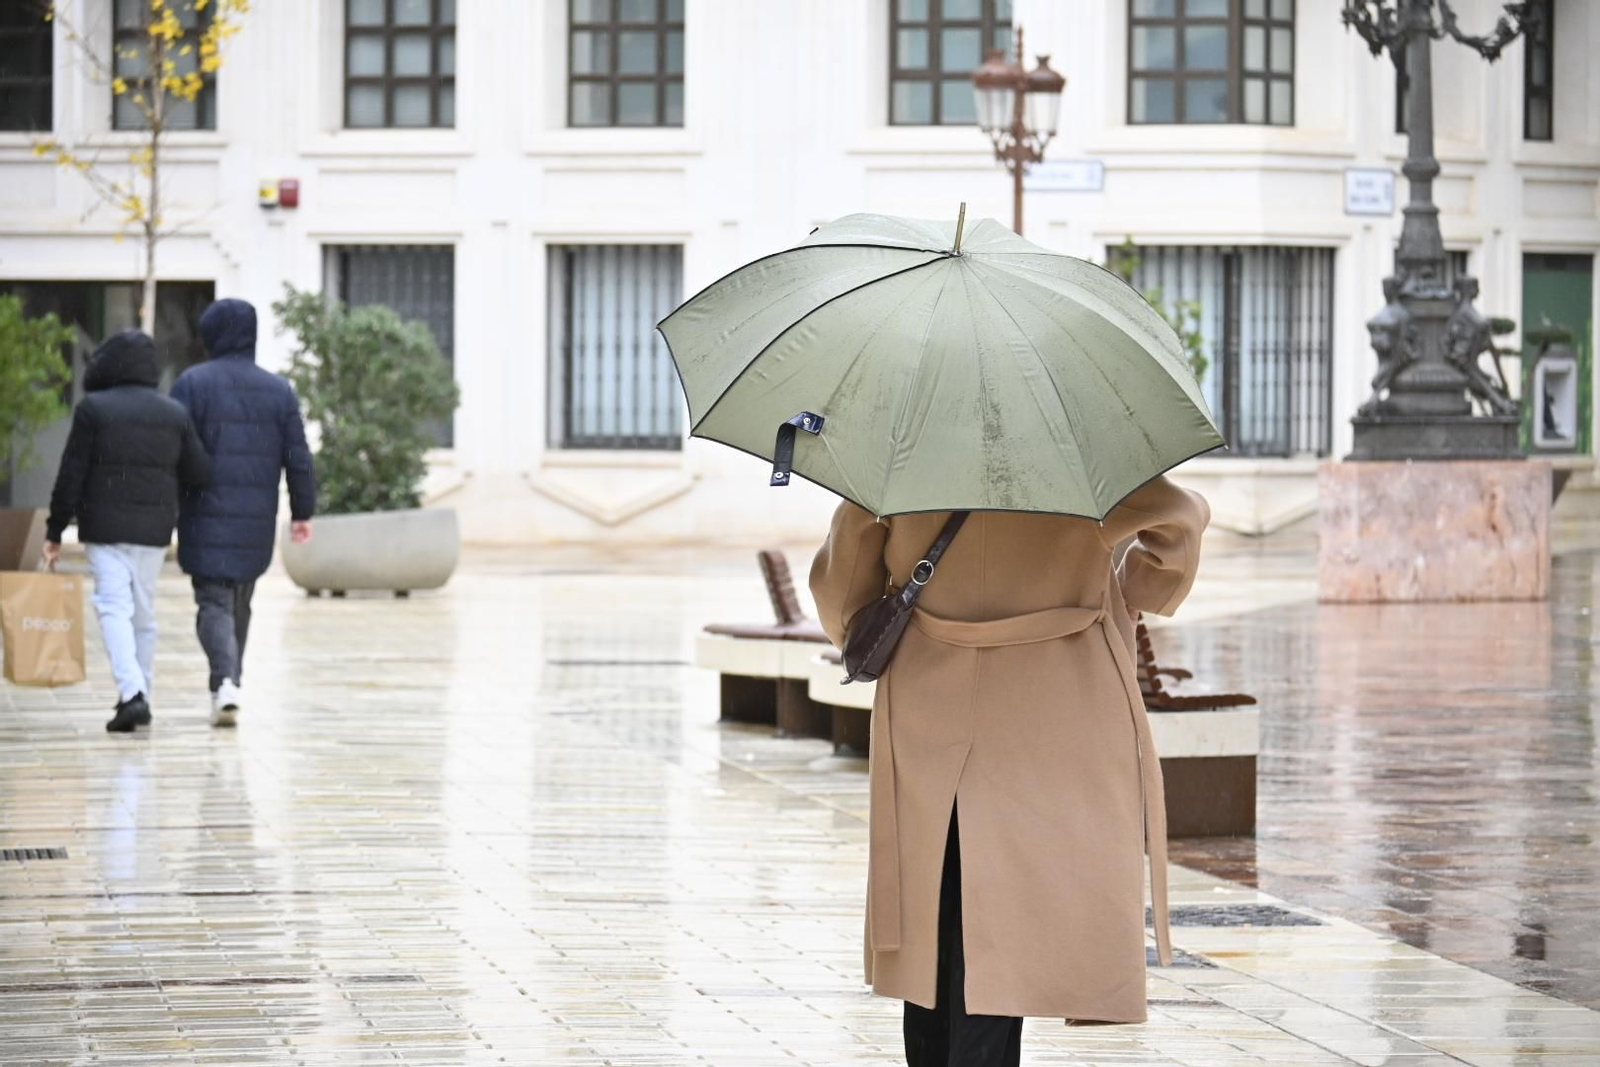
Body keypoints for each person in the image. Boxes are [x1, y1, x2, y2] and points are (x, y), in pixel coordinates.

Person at [810, 477, 1209, 1066]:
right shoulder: (1078, 453)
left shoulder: (904, 452)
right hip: (1054, 689)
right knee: (1010, 901)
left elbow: (841, 588)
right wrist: (1130, 589)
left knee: (933, 901)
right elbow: (1180, 529)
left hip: (929, 693)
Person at [43, 330, 211, 733]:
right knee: (143, 616)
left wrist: (55, 528)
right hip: (154, 532)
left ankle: (133, 694)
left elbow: (72, 474)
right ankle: (139, 695)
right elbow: (200, 472)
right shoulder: (173, 413)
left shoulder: (94, 410)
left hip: (104, 530)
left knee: (112, 607)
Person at [170, 298, 315, 727]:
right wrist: (303, 511)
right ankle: (230, 681)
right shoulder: (278, 390)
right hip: (256, 516)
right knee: (239, 601)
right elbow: (299, 457)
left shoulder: (192, 384)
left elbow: (174, 447)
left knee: (213, 600)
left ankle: (225, 681)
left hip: (203, 511)